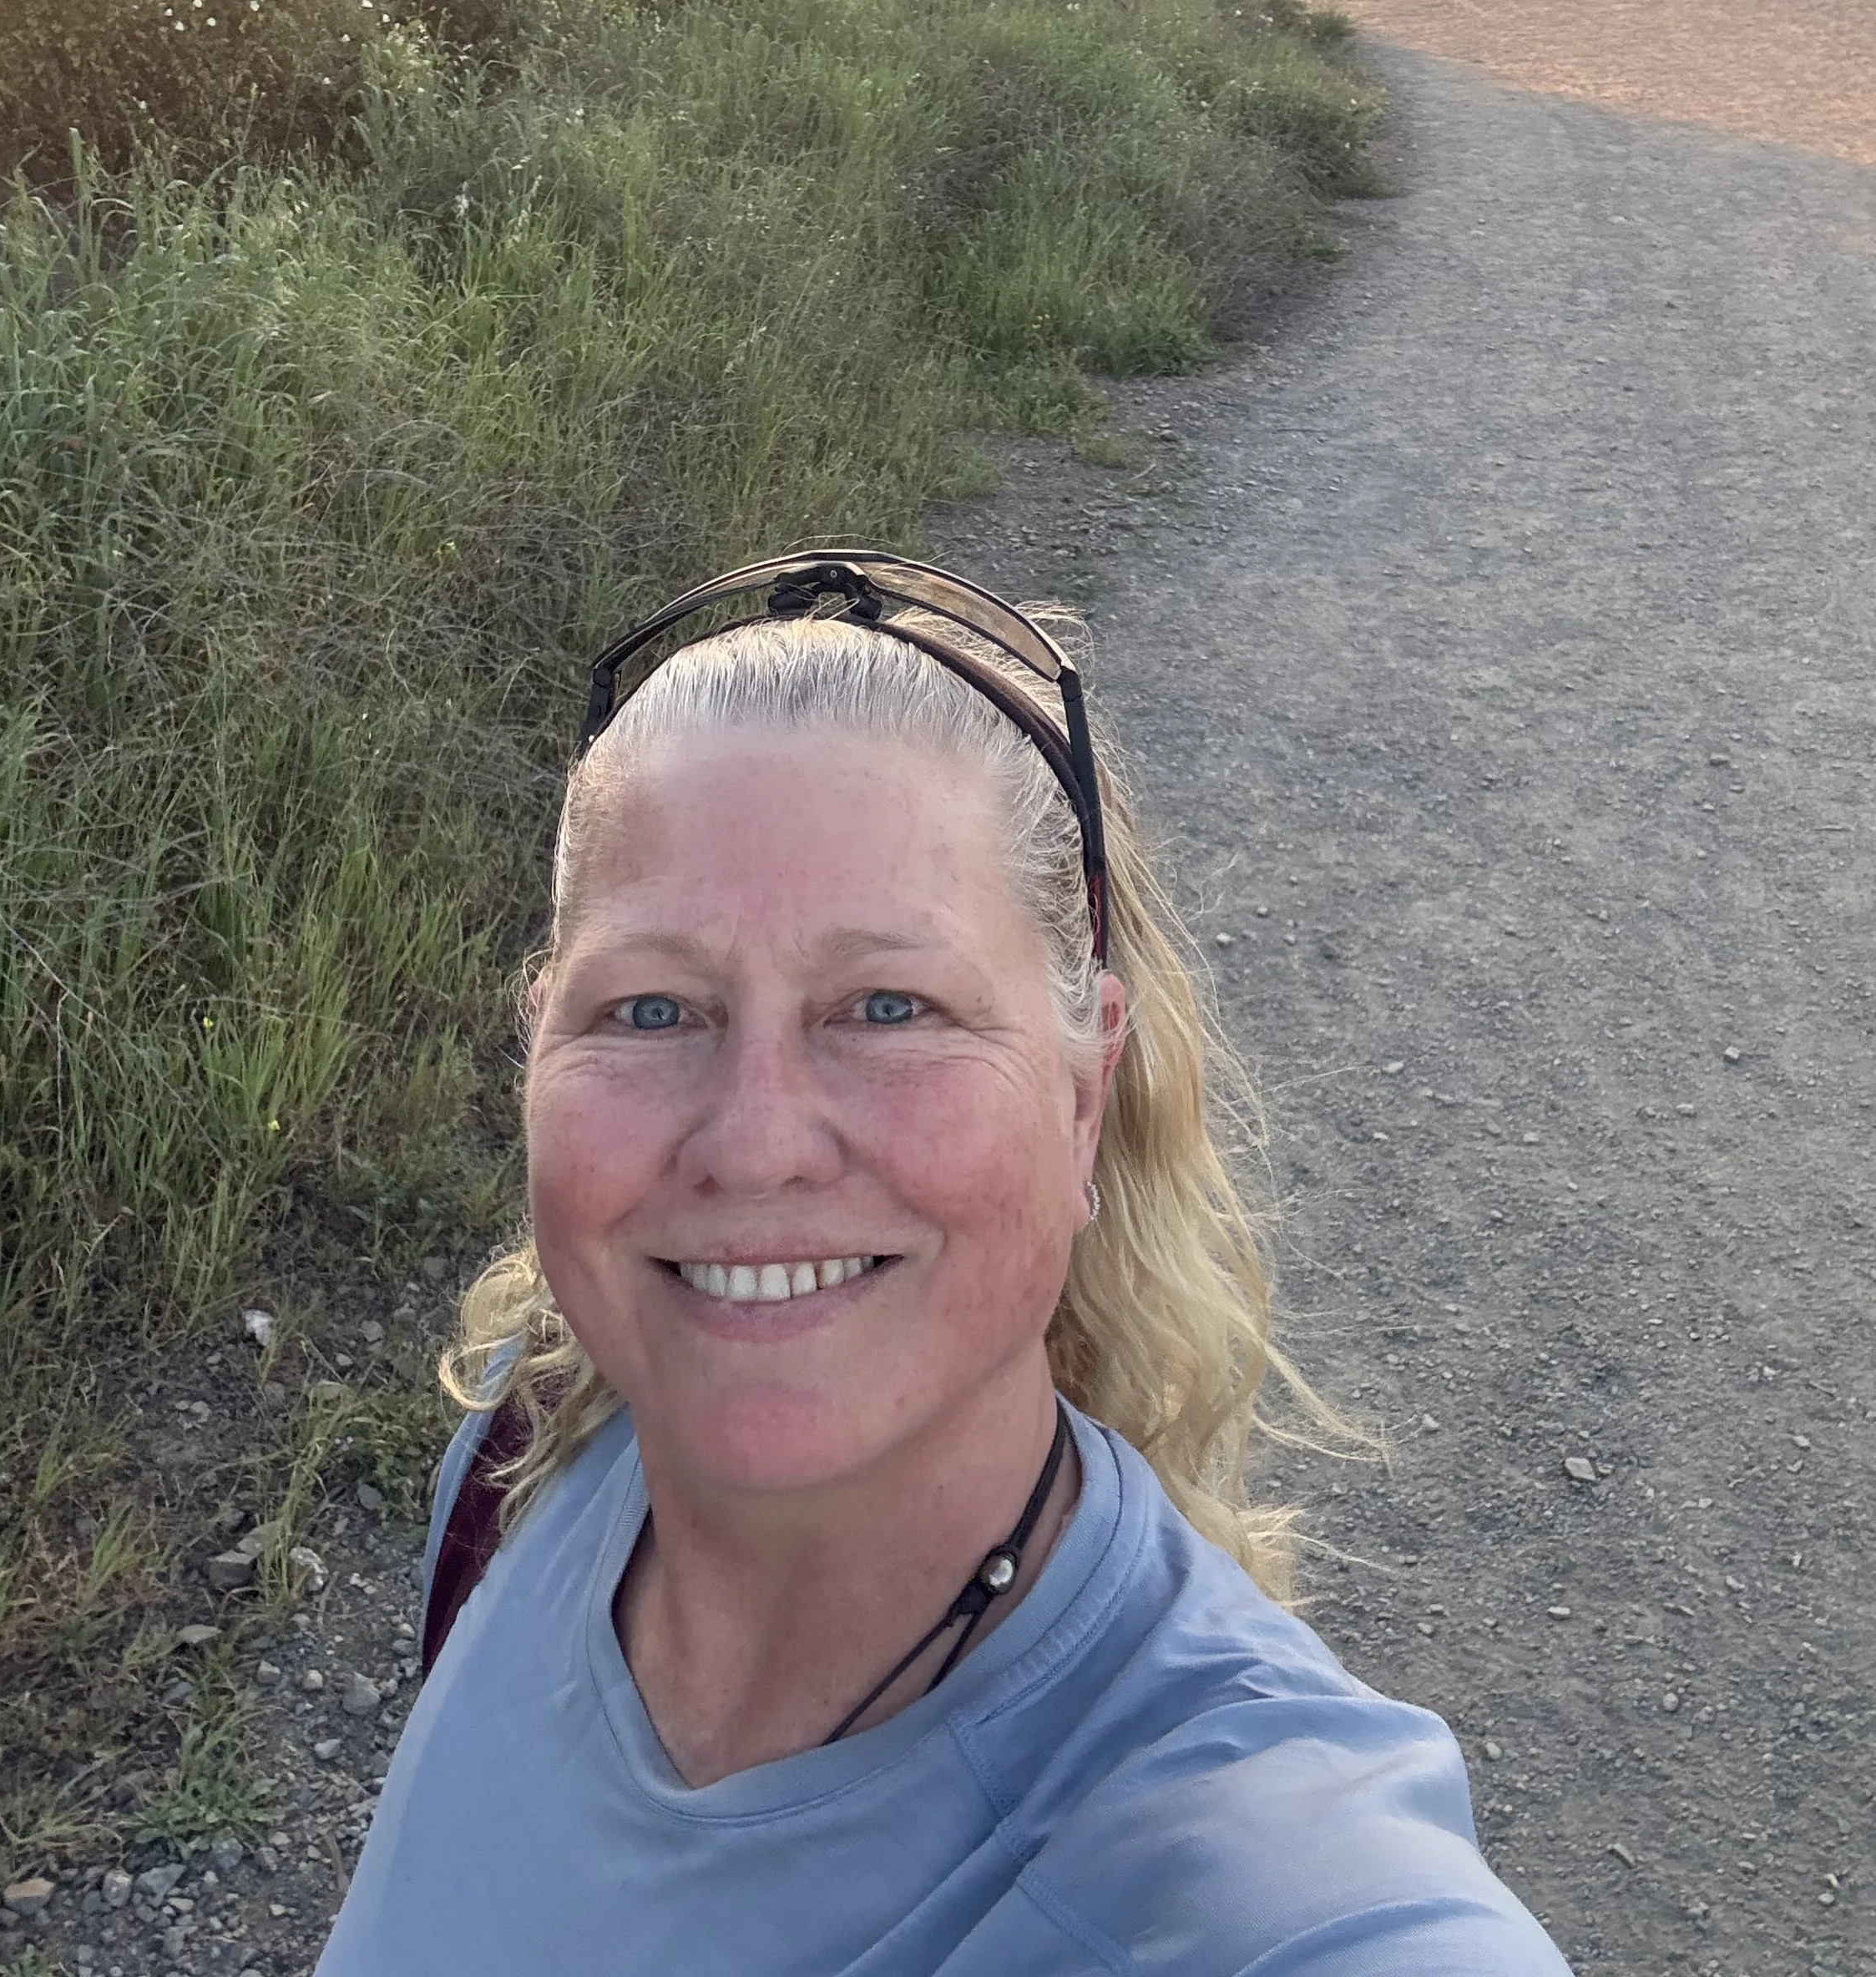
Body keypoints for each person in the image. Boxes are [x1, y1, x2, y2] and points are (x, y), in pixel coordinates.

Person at [317, 551, 1569, 1975]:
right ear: (540, 1047)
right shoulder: (529, 1442)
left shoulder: (1266, 1890)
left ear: (1084, 1095)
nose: (756, 1142)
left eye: (890, 1006)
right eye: (652, 1007)